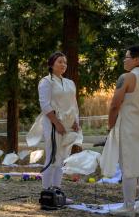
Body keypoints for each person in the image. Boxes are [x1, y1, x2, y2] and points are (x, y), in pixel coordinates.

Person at [101, 46, 139, 217]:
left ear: (136, 59)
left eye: (127, 57)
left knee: (128, 167)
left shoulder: (127, 77)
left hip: (129, 126)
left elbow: (114, 104)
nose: (124, 60)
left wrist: (110, 125)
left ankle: (128, 207)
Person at [27, 52, 82, 195]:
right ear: (51, 64)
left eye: (65, 62)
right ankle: (47, 192)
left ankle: (57, 191)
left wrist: (76, 121)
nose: (63, 65)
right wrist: (57, 123)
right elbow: (45, 105)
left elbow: (74, 104)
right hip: (53, 123)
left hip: (69, 124)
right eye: (60, 62)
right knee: (52, 156)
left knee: (62, 157)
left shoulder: (70, 83)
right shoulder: (46, 81)